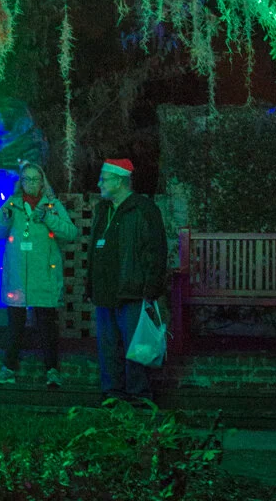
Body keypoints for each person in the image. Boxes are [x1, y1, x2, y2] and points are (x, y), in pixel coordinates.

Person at [87, 157, 168, 403]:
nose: (100, 183)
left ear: (120, 181)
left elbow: (155, 249)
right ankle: (112, 394)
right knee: (108, 347)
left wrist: (150, 288)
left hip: (131, 290)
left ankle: (138, 397)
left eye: (105, 178)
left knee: (135, 347)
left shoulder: (143, 209)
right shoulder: (102, 210)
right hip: (105, 290)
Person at [0, 161, 78, 387]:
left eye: (35, 179)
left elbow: (70, 233)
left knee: (47, 326)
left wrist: (48, 218)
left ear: (42, 181)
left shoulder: (52, 205)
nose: (30, 183)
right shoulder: (12, 204)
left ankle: (52, 372)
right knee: (14, 326)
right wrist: (5, 217)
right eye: (26, 179)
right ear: (20, 182)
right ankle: (8, 369)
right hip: (17, 278)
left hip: (43, 278)